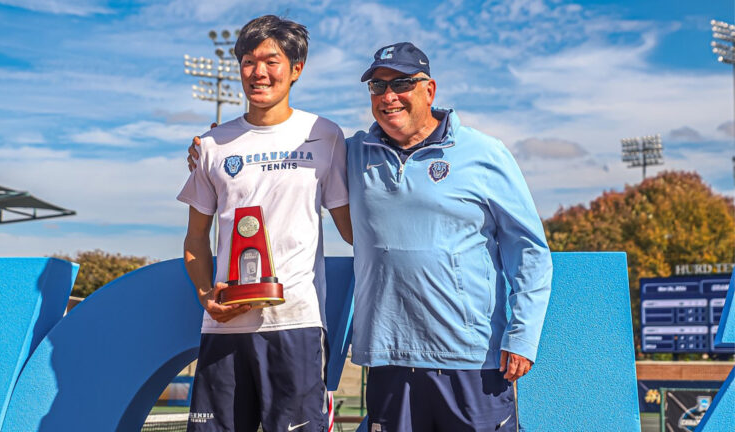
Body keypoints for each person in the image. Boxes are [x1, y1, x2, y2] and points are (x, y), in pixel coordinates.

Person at [188, 42, 552, 432]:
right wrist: (224, 143)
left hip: (471, 360)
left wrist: (522, 335)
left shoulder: (485, 153)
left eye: (403, 83)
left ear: (429, 90)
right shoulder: (352, 152)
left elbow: (529, 250)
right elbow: (277, 150)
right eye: (378, 86)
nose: (389, 96)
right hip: (388, 358)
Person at [178, 15, 351, 432]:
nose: (258, 72)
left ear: (296, 69)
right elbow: (196, 238)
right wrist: (206, 295)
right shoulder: (213, 144)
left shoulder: (324, 135)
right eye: (248, 61)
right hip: (225, 325)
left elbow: (352, 229)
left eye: (271, 61)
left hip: (297, 323)